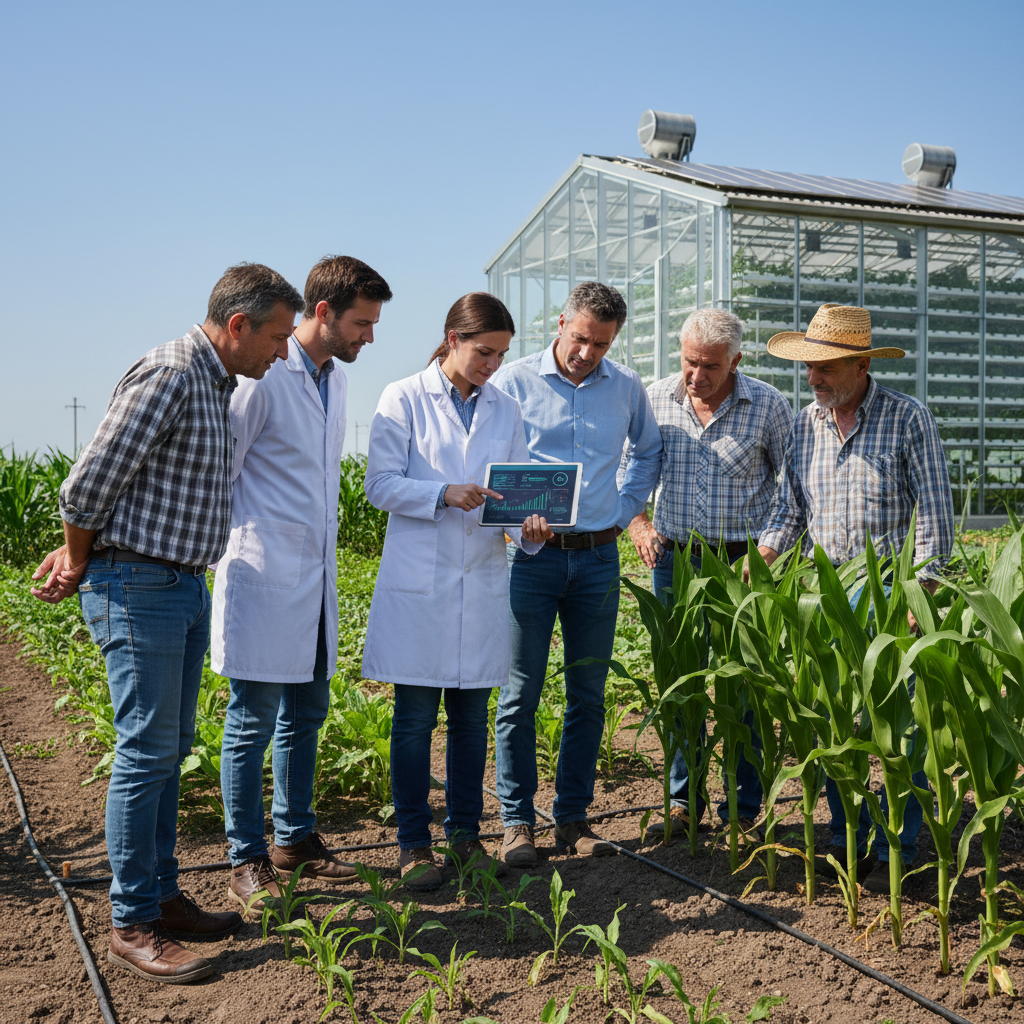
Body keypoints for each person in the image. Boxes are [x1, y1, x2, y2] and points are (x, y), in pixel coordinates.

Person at [30, 264, 306, 984]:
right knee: (145, 751)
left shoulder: (216, 384)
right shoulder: (172, 374)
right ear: (238, 325)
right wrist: (79, 557)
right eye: (278, 337)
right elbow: (86, 485)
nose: (284, 351)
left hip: (178, 582)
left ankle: (160, 895)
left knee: (170, 747)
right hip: (138, 582)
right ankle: (132, 923)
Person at [211, 256, 393, 913]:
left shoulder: (333, 379)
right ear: (322, 313)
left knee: (306, 714)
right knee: (251, 722)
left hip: (313, 579)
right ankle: (245, 858)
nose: (369, 337)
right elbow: (222, 472)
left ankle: (293, 839)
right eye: (362, 324)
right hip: (263, 572)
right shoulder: (263, 379)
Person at [755, 302, 954, 893]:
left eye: (825, 368)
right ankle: (849, 839)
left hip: (892, 592)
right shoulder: (803, 424)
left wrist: (921, 595)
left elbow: (935, 517)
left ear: (861, 365)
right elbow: (789, 512)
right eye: (808, 367)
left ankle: (901, 847)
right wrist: (758, 564)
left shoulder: (907, 418)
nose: (812, 378)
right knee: (834, 724)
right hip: (825, 594)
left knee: (900, 728)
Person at [361, 292, 553, 890]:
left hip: (482, 578)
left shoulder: (505, 408)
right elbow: (378, 485)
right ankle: (413, 844)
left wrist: (530, 529)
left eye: (501, 355)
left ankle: (466, 838)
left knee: (471, 721)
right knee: (415, 720)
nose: (492, 365)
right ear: (453, 339)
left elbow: (514, 494)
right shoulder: (403, 397)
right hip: (420, 585)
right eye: (483, 352)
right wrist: (441, 494)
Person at [490, 281, 663, 867]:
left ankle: (572, 818)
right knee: (520, 692)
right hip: (530, 559)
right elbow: (489, 460)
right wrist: (517, 520)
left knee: (587, 694)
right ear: (561, 324)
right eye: (582, 338)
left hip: (597, 557)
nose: (588, 353)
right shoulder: (513, 381)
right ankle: (517, 822)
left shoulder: (626, 387)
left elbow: (648, 452)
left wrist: (622, 509)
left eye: (602, 344)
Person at [625, 308, 792, 840]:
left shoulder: (768, 405)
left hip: (745, 562)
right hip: (675, 559)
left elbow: (791, 489)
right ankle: (683, 800)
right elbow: (630, 472)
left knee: (742, 686)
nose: (696, 376)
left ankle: (742, 807)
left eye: (710, 367)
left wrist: (764, 556)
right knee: (680, 679)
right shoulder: (655, 399)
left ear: (736, 361)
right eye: (689, 362)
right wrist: (638, 523)